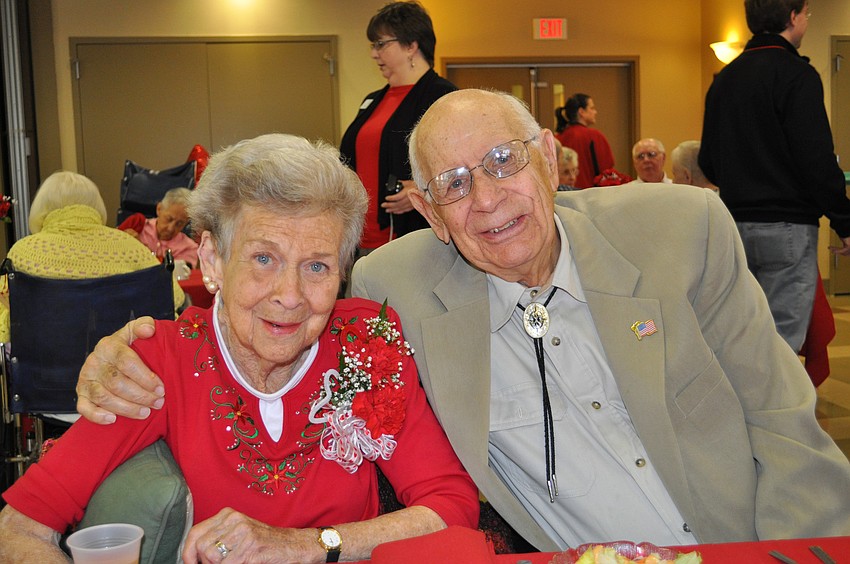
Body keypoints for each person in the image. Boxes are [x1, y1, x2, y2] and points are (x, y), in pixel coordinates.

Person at [74, 91, 850, 551]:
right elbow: (275, 315)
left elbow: (786, 427)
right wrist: (127, 347)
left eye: (504, 162)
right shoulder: (390, 290)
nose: (486, 200)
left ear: (548, 156)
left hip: (745, 547)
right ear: (430, 215)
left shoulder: (682, 230)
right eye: (452, 184)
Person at [0, 135, 478, 562]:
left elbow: (451, 505)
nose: (290, 295)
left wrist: (307, 546)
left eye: (317, 266)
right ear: (212, 259)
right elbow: (20, 526)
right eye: (264, 258)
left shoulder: (365, 343)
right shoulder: (160, 362)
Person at [699, 0, 850, 354]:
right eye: (806, 15)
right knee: (781, 346)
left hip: (734, 225)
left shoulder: (725, 79)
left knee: (742, 337)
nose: (806, 22)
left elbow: (708, 160)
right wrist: (844, 220)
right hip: (788, 226)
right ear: (793, 17)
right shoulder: (796, 75)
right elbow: (814, 157)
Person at [0, 171, 185, 343]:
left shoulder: (23, 253)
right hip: (122, 360)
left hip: (44, 364)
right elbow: (173, 297)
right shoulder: (132, 248)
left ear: (42, 207)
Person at [339, 0, 456, 256]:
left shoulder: (442, 97)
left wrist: (424, 188)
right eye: (373, 46)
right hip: (360, 238)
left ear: (411, 45)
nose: (374, 54)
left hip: (409, 238)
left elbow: (463, 162)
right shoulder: (372, 100)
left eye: (381, 44)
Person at [118, 187, 200, 268]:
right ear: (159, 209)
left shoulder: (188, 248)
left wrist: (142, 251)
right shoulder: (136, 225)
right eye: (169, 219)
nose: (170, 228)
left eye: (179, 224)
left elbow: (178, 273)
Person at [554, 93, 615, 189]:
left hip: (562, 194)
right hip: (589, 194)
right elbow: (607, 172)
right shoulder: (595, 137)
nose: (595, 112)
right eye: (592, 108)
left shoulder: (556, 138)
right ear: (581, 112)